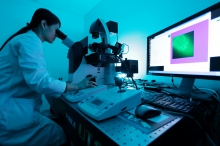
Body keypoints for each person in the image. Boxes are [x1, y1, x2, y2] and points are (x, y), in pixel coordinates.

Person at [0, 8, 97, 146]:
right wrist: (77, 86)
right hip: (11, 115)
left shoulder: (25, 39)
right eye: (56, 30)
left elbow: (35, 75)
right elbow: (39, 81)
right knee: (59, 135)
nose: (57, 35)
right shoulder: (30, 41)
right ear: (44, 24)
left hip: (11, 109)